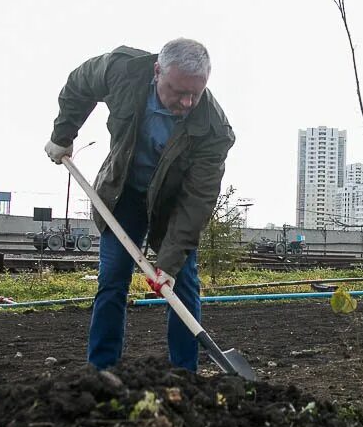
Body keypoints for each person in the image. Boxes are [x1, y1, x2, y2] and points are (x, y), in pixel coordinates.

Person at [44, 38, 234, 371]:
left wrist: (169, 265)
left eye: (196, 93)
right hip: (124, 191)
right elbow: (78, 85)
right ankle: (102, 370)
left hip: (173, 206)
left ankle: (184, 374)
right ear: (157, 71)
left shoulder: (214, 129)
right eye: (178, 91)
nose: (188, 102)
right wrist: (63, 134)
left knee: (183, 286)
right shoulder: (123, 71)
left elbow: (197, 200)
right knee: (113, 278)